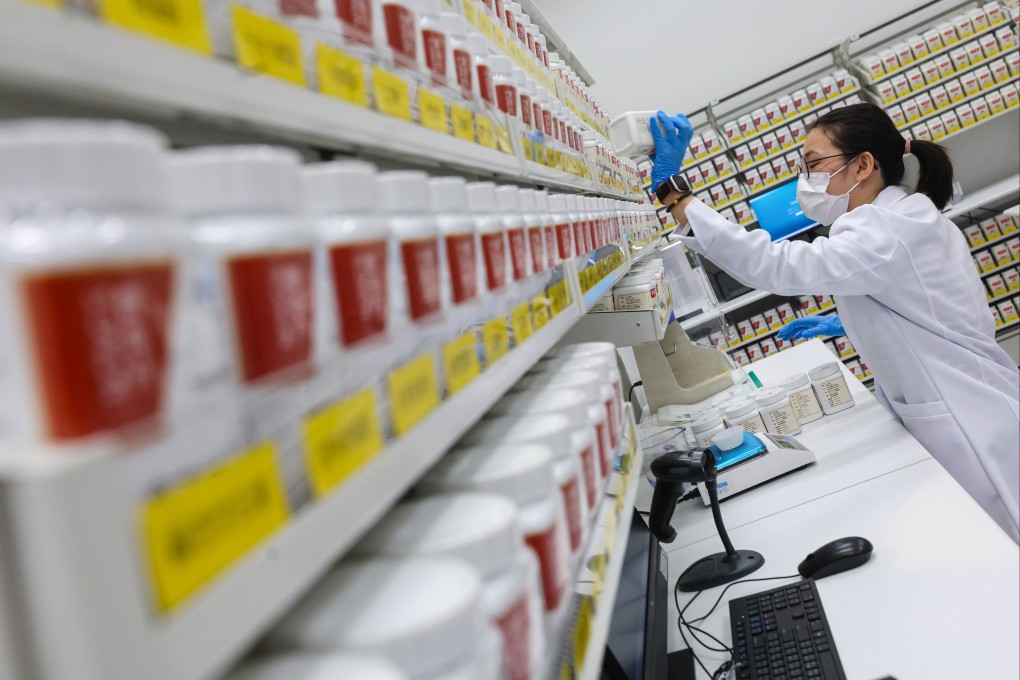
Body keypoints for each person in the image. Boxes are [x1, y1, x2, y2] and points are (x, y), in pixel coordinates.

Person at [648, 103, 1019, 542]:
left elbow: (772, 265)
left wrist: (678, 196)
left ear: (863, 164)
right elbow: (932, 306)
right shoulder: (906, 215)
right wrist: (858, 322)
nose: (806, 181)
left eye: (813, 164)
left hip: (965, 417)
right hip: (974, 394)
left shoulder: (878, 229)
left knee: (1000, 538)